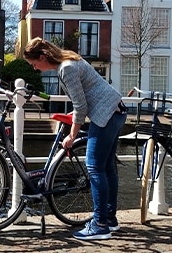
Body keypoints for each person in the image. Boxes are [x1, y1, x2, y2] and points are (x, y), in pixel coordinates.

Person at [24, 37, 127, 240]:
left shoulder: (66, 69)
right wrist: (75, 116)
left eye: (34, 64)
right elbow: (86, 95)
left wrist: (71, 135)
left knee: (94, 167)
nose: (35, 69)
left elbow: (81, 106)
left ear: (43, 57)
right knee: (106, 168)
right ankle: (109, 219)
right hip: (116, 111)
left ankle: (99, 225)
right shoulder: (71, 59)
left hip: (105, 115)